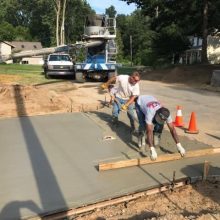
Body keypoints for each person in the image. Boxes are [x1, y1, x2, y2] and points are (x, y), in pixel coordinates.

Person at [135, 95, 186, 160]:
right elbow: (149, 131)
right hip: (140, 103)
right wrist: (152, 149)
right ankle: (141, 139)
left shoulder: (167, 114)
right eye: (158, 118)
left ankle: (156, 139)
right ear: (156, 113)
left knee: (159, 125)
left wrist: (179, 146)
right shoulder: (150, 112)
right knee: (143, 125)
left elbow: (172, 129)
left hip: (150, 99)